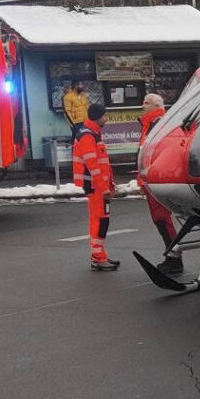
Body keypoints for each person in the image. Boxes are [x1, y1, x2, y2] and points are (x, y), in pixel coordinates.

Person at [139, 93, 183, 275]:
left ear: (156, 106)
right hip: (150, 177)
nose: (142, 105)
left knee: (162, 218)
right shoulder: (151, 124)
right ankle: (172, 255)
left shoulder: (158, 124)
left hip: (156, 177)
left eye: (146, 102)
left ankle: (174, 258)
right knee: (159, 219)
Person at [72, 101, 118, 271]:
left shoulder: (92, 133)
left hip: (97, 186)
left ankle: (100, 255)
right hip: (95, 187)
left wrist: (110, 184)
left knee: (102, 221)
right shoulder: (88, 136)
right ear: (98, 117)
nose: (107, 118)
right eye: (105, 115)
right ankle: (98, 258)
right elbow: (93, 167)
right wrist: (104, 188)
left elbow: (102, 165)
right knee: (99, 221)